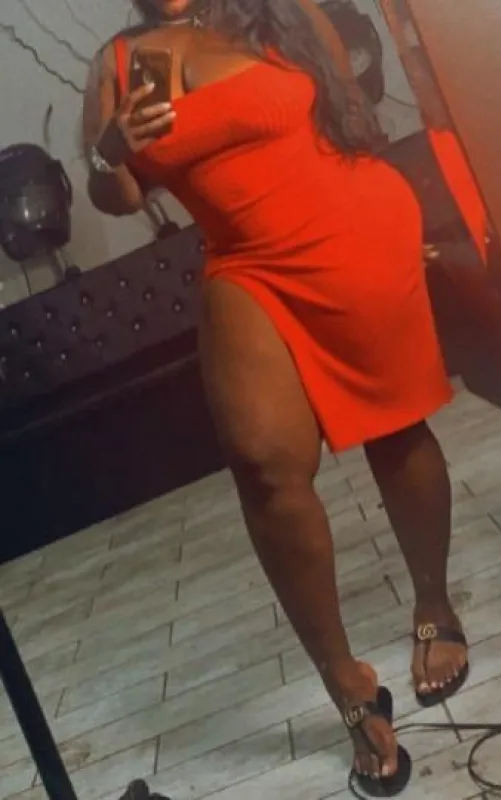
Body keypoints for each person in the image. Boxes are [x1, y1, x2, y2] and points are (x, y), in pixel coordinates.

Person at [83, 0, 469, 784]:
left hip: (352, 227)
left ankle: (434, 604)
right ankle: (346, 682)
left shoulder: (278, 16)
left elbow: (351, 114)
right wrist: (110, 151)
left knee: (395, 427)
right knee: (262, 466)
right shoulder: (122, 64)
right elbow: (119, 195)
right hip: (246, 263)